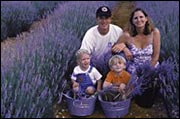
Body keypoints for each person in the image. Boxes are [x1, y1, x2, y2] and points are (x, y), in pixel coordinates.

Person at [114, 8, 161, 108]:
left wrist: (146, 72)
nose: (139, 20)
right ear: (132, 21)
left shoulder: (155, 32)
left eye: (141, 17)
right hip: (134, 67)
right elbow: (114, 49)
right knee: (131, 89)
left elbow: (156, 56)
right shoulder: (127, 35)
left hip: (151, 66)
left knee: (150, 93)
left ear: (146, 19)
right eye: (135, 18)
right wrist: (125, 48)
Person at [80, 5, 125, 78]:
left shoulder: (118, 31)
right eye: (101, 18)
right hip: (96, 65)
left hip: (112, 65)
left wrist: (124, 47)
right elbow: (83, 53)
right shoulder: (90, 34)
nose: (104, 21)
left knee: (123, 55)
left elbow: (126, 44)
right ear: (97, 19)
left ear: (110, 19)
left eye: (106, 18)